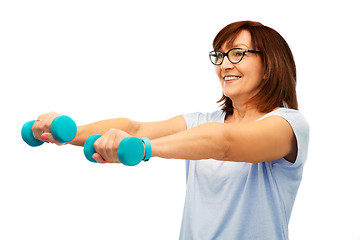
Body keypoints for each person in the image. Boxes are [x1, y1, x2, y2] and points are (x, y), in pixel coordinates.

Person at [31, 21, 309, 240]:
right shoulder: (201, 121)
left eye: (238, 53)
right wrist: (65, 134)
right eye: (220, 55)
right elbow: (135, 127)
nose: (225, 64)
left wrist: (143, 148)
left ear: (270, 65)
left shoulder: (288, 125)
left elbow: (225, 143)